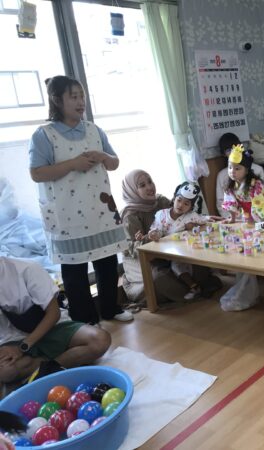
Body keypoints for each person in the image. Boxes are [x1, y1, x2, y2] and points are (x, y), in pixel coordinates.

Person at [28, 75, 132, 324]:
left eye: (81, 96)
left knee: (107, 261)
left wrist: (103, 156)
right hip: (67, 213)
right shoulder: (44, 135)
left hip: (100, 209)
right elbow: (36, 173)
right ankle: (84, 319)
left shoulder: (94, 130)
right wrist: (72, 164)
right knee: (74, 269)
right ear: (57, 100)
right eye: (73, 97)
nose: (80, 102)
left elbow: (114, 163)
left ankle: (111, 309)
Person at [0, 257, 110, 387]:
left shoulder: (26, 269)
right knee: (6, 372)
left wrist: (22, 347)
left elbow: (53, 313)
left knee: (100, 340)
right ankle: (59, 363)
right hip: (15, 338)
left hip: (53, 327)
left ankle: (43, 371)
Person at [120, 170, 221, 304]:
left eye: (150, 181)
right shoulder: (130, 216)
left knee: (197, 263)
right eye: (142, 185)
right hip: (145, 259)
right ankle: (195, 290)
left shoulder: (160, 201)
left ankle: (198, 287)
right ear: (132, 190)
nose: (149, 187)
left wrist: (202, 220)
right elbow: (132, 250)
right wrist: (149, 238)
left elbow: (182, 216)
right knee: (160, 278)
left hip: (168, 249)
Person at [220, 144, 264, 311]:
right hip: (246, 220)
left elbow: (261, 208)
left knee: (254, 252)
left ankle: (247, 293)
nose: (232, 172)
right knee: (243, 256)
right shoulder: (231, 185)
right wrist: (232, 218)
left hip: (260, 220)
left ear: (247, 169)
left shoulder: (256, 185)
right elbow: (231, 204)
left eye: (237, 168)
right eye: (230, 167)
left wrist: (259, 226)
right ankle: (245, 293)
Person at [148, 182, 219, 300]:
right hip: (169, 252)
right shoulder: (161, 214)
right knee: (177, 266)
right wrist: (154, 235)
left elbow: (204, 219)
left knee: (187, 264)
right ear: (174, 198)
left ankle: (199, 286)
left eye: (186, 203)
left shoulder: (190, 216)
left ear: (191, 207)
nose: (181, 205)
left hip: (186, 249)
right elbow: (157, 231)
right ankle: (195, 287)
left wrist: (214, 220)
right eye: (179, 200)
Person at [215, 133, 264, 218]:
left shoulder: (258, 170)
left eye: (235, 147)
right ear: (223, 154)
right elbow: (221, 202)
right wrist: (232, 219)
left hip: (257, 216)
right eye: (229, 150)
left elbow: (262, 200)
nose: (233, 152)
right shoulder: (222, 176)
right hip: (236, 219)